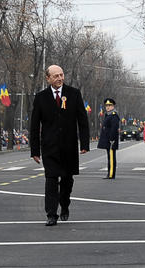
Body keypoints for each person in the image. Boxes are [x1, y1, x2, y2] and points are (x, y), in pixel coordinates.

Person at [29, 65, 89, 226]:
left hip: (69, 147)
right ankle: (51, 214)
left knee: (67, 180)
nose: (59, 78)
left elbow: (82, 120)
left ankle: (65, 204)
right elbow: (34, 125)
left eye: (61, 75)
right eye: (55, 76)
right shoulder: (40, 97)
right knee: (51, 180)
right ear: (48, 78)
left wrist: (84, 143)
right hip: (49, 147)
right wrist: (34, 150)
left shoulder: (73, 94)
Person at [97, 98, 119, 179]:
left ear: (113, 106)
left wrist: (112, 139)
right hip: (108, 140)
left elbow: (114, 128)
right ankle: (110, 173)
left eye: (110, 105)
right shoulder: (108, 115)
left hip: (111, 140)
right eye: (106, 106)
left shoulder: (114, 115)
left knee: (111, 158)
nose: (108, 107)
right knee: (109, 157)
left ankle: (111, 174)